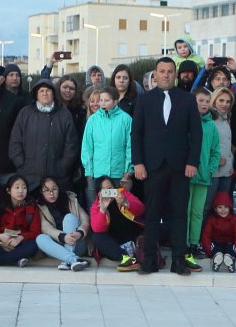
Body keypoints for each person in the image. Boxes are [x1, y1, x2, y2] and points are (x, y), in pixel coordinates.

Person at [131, 56, 202, 275]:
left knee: (179, 215)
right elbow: (137, 133)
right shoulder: (145, 100)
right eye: (162, 71)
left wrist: (192, 161)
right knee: (152, 215)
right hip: (152, 167)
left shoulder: (187, 99)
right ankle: (150, 261)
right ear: (155, 74)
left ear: (176, 74)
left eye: (170, 71)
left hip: (180, 167)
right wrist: (138, 163)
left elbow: (196, 134)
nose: (166, 75)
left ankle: (178, 261)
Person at [8, 79, 81, 192]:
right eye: (41, 91)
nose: (45, 93)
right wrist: (22, 164)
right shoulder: (25, 113)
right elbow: (15, 142)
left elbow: (71, 145)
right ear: (36, 95)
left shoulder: (64, 114)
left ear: (54, 94)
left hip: (57, 177)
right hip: (29, 176)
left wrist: (62, 167)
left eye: (48, 90)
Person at [185, 87, 222, 268]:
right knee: (185, 210)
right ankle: (183, 243)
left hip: (203, 177)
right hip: (185, 176)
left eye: (207, 101)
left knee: (198, 212)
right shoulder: (185, 122)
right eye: (201, 100)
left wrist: (209, 169)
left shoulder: (211, 126)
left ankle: (194, 242)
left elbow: (216, 151)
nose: (204, 104)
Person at [0, 174, 41, 266]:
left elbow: (36, 232)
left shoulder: (32, 207)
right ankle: (16, 258)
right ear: (8, 191)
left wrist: (21, 237)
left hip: (20, 244)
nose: (21, 191)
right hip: (1, 243)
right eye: (17, 187)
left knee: (34, 245)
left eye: (24, 188)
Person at [81, 86, 133, 194]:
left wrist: (128, 169)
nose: (103, 103)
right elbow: (87, 146)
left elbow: (130, 146)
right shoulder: (92, 120)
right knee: (98, 205)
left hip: (118, 173)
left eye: (107, 100)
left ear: (115, 101)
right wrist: (89, 168)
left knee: (118, 204)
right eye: (101, 100)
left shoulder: (126, 119)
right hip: (97, 173)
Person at [34, 175, 90, 270]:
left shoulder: (70, 199)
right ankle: (73, 260)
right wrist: (63, 237)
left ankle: (68, 260)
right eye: (47, 190)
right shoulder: (39, 206)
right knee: (40, 238)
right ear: (41, 192)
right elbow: (46, 228)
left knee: (69, 218)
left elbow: (85, 219)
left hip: (76, 244)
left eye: (54, 189)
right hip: (57, 249)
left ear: (59, 189)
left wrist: (80, 233)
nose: (51, 193)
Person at [88, 176, 145, 270]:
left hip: (134, 238)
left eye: (110, 188)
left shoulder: (123, 193)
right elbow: (97, 229)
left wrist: (126, 202)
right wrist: (102, 210)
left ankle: (135, 258)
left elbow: (141, 209)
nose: (108, 192)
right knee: (96, 237)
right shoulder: (96, 206)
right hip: (115, 245)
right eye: (104, 190)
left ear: (115, 188)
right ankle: (128, 259)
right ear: (99, 193)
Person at [200, 190, 236, 271]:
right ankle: (217, 257)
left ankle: (229, 258)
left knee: (231, 249)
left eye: (226, 207)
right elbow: (206, 235)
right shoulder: (211, 219)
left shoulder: (234, 218)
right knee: (216, 249)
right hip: (216, 242)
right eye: (220, 207)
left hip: (229, 242)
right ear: (215, 209)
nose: (223, 210)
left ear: (230, 208)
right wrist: (209, 251)